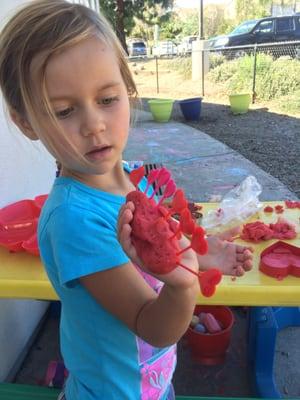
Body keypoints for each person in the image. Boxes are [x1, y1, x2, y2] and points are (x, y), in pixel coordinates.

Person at [0, 1, 253, 399]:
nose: (93, 124)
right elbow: (151, 323)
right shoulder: (75, 220)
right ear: (26, 121)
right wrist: (185, 285)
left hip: (152, 383)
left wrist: (200, 257)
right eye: (64, 110)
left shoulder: (137, 177)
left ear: (128, 88)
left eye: (106, 100)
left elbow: (164, 249)